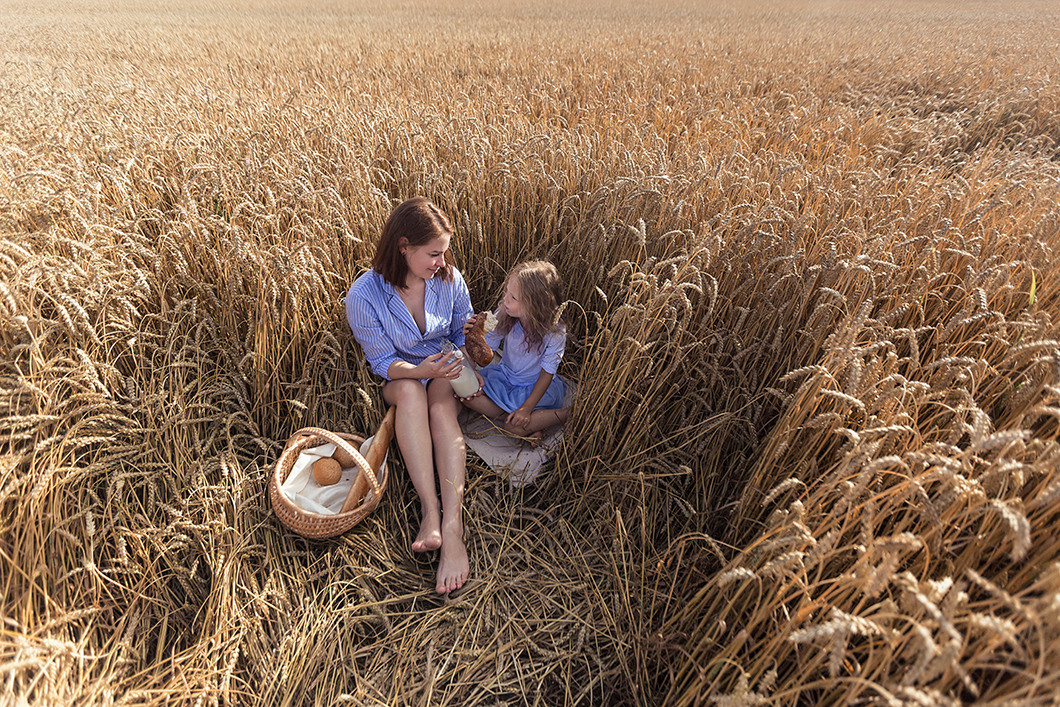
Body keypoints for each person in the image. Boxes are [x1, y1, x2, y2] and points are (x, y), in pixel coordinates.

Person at [345, 197, 474, 595]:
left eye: (444, 251)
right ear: (404, 246)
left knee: (439, 408)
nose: (441, 261)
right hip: (402, 375)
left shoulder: (449, 279)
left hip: (444, 369)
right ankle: (429, 512)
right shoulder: (364, 296)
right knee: (411, 395)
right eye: (433, 253)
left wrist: (460, 360)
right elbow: (384, 362)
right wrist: (421, 369)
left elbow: (459, 336)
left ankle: (452, 529)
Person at [460, 260, 570, 443]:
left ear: (535, 305)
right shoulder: (505, 315)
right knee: (468, 396)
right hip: (505, 378)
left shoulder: (554, 332)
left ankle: (565, 414)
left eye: (513, 298)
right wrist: (473, 336)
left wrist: (526, 409)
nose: (505, 300)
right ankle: (530, 423)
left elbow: (546, 373)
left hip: (534, 388)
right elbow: (484, 356)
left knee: (513, 428)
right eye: (506, 292)